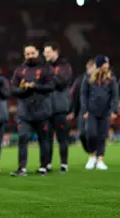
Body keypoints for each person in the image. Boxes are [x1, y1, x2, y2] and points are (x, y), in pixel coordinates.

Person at [10, 44, 55, 177]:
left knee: (43, 139)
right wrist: (24, 89)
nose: (30, 56)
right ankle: (22, 168)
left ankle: (43, 166)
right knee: (23, 138)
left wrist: (36, 86)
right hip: (25, 111)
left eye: (32, 54)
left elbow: (51, 86)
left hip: (42, 110)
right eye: (27, 54)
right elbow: (13, 89)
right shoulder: (19, 70)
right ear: (24, 55)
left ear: (37, 53)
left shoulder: (46, 69)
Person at [81, 55, 118, 171]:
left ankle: (100, 159)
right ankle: (92, 156)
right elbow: (83, 95)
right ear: (99, 65)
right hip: (91, 111)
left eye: (107, 63)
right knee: (91, 134)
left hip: (105, 112)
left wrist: (114, 110)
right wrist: (85, 110)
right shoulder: (88, 78)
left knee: (102, 135)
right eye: (105, 64)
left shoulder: (111, 79)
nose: (107, 66)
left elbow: (115, 96)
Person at [43, 42, 73, 173]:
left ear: (56, 52)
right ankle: (47, 163)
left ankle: (64, 164)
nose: (45, 54)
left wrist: (48, 77)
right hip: (46, 108)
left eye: (48, 52)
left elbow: (62, 81)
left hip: (60, 107)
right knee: (46, 138)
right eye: (44, 52)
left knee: (62, 138)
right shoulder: (44, 67)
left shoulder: (64, 66)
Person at [69, 59, 94, 155]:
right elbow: (74, 95)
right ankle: (90, 152)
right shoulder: (80, 79)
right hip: (83, 110)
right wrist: (72, 111)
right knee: (82, 134)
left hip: (97, 111)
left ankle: (96, 154)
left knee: (94, 134)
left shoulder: (101, 79)